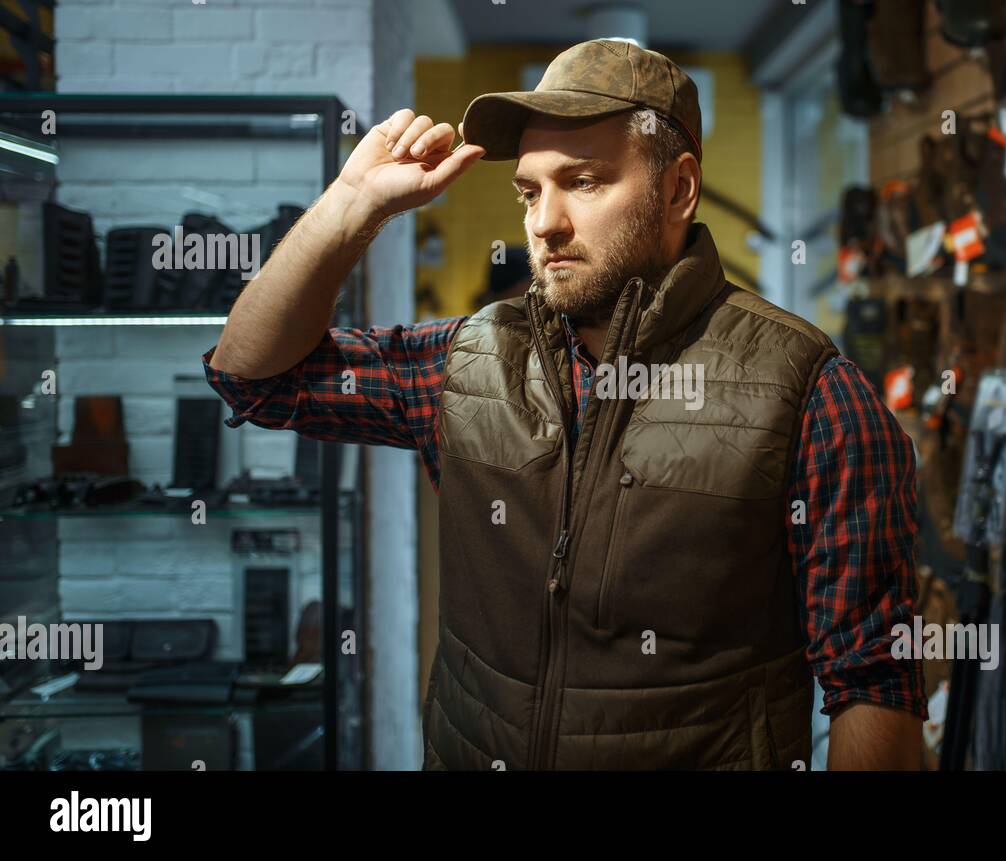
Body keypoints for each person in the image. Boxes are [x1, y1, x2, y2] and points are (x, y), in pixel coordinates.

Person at [203, 38, 925, 770]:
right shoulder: (469, 360)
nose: (544, 224)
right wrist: (352, 207)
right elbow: (254, 377)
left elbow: (874, 680)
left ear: (678, 189)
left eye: (583, 182)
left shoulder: (807, 390)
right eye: (529, 191)